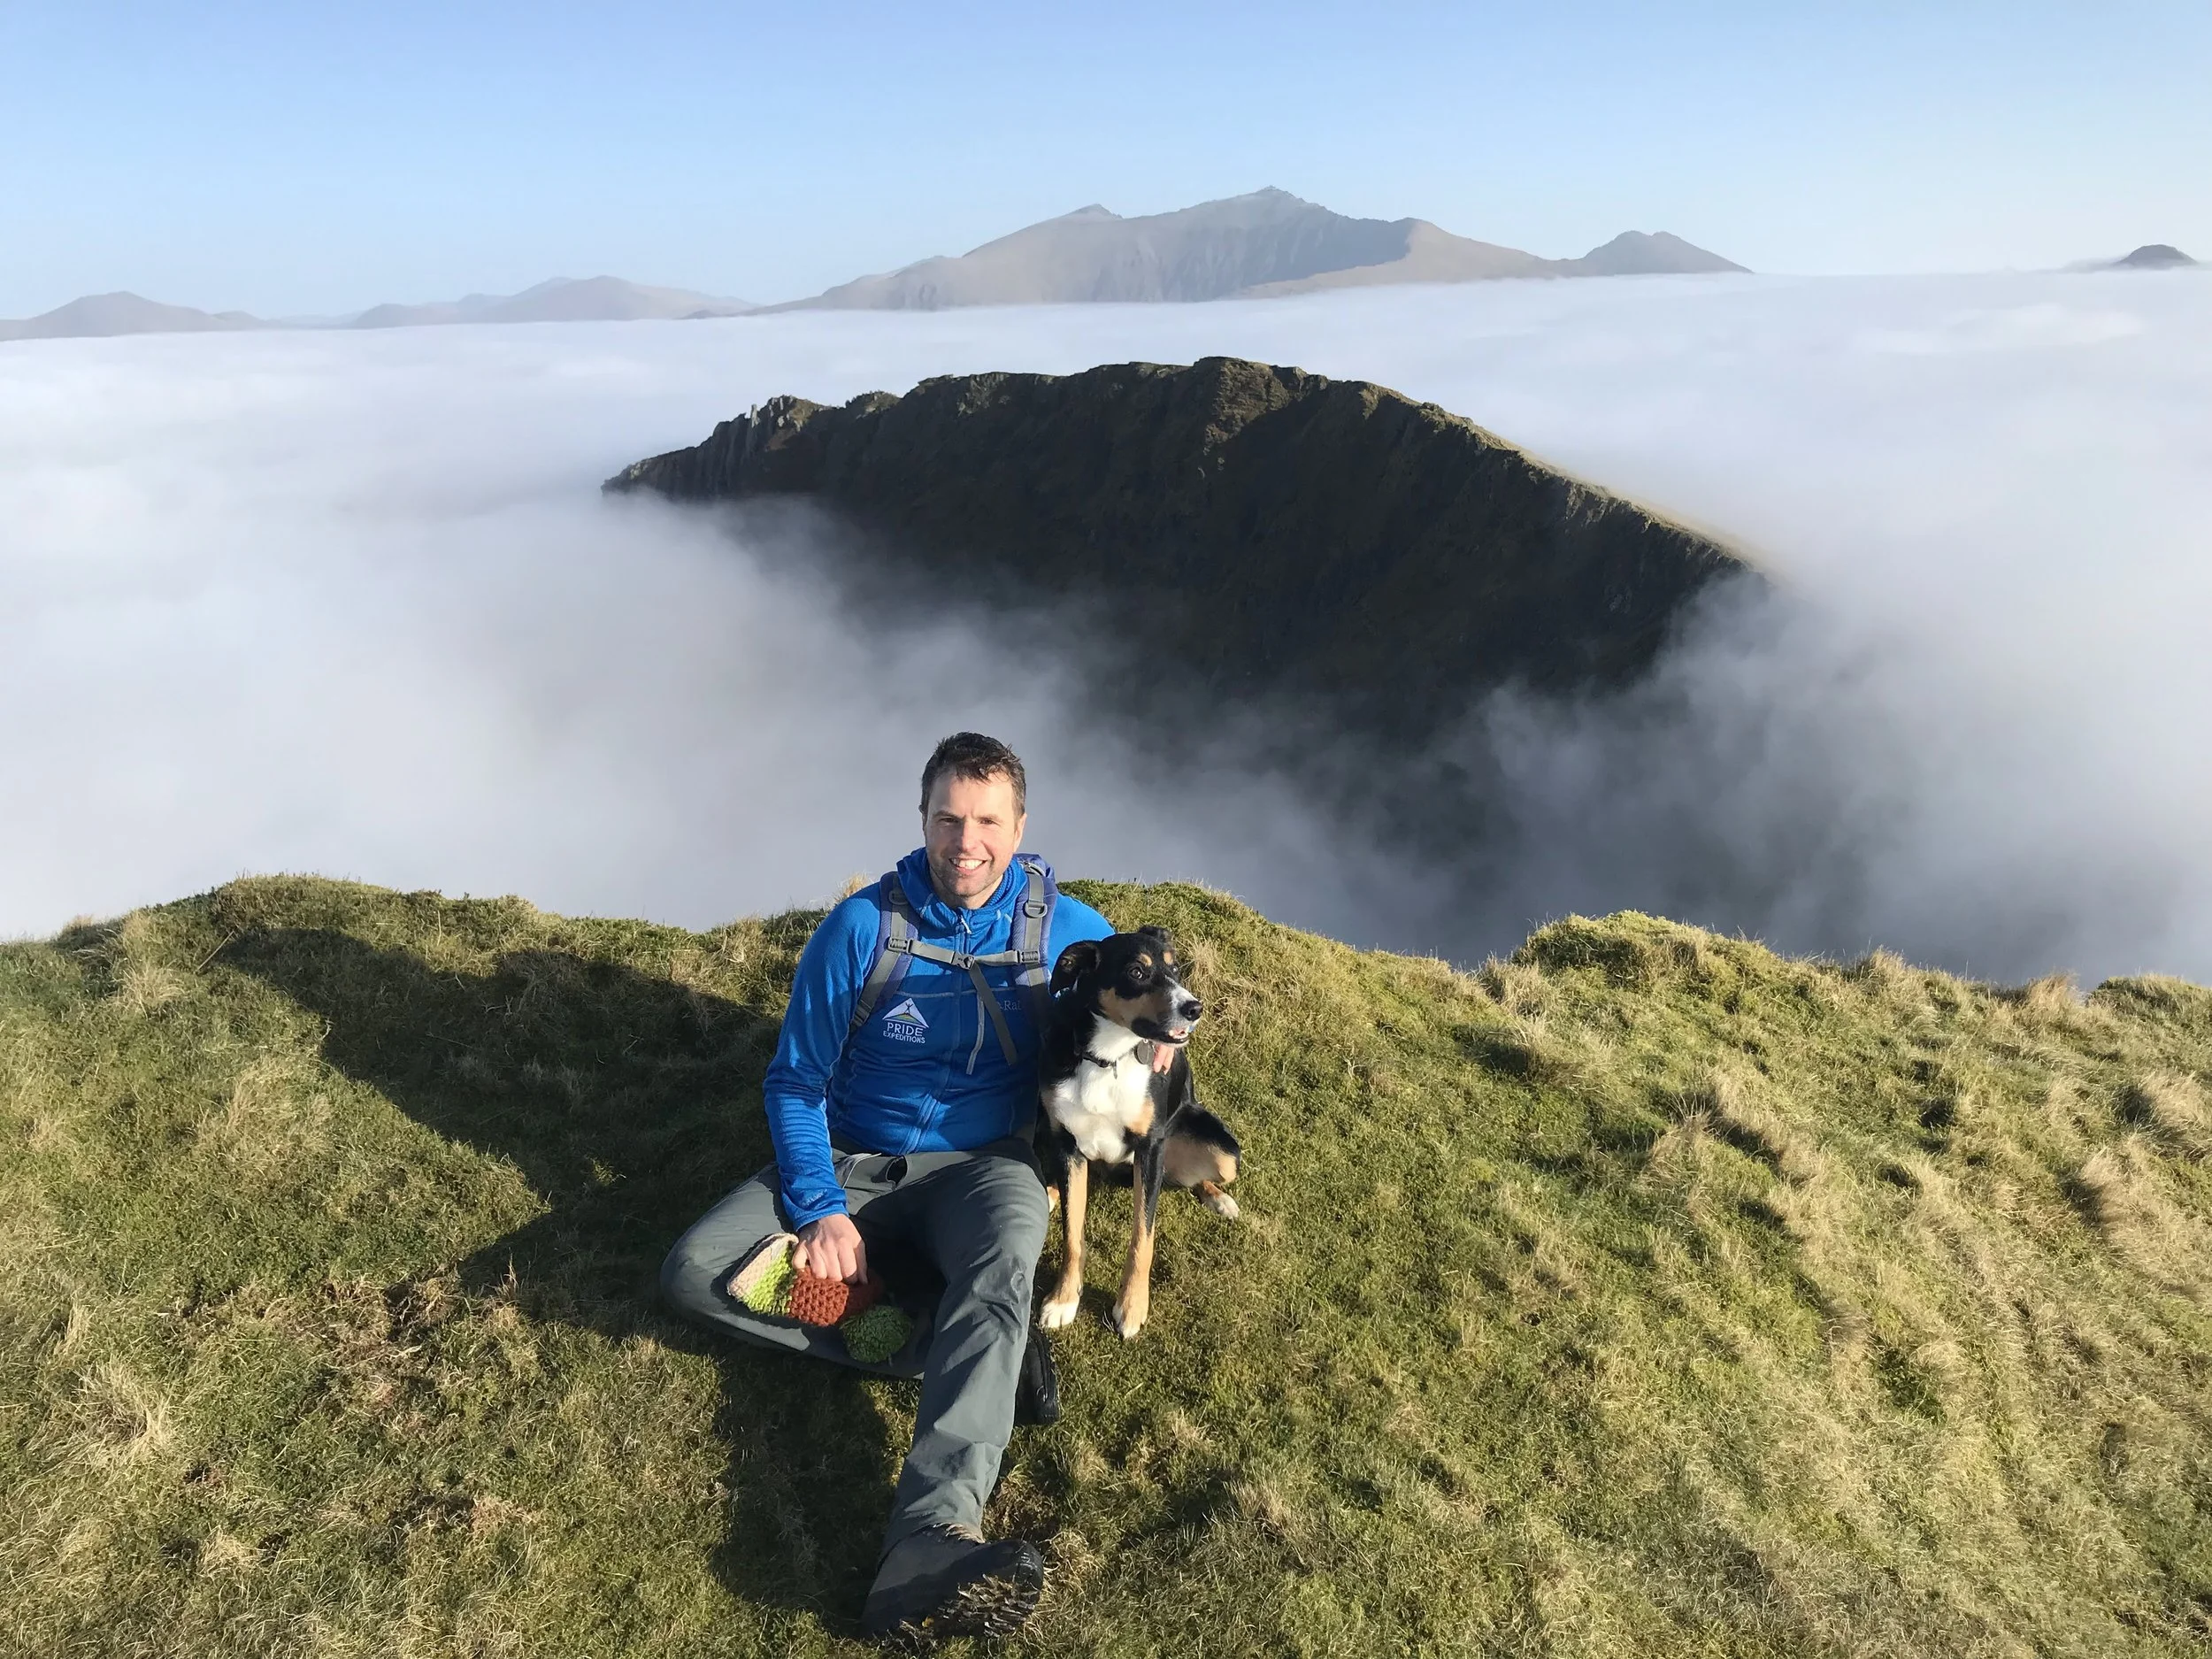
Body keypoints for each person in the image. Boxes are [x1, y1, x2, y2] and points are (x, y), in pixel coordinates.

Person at [661, 732, 1149, 1641]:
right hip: (853, 1158)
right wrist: (819, 1207)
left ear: (1020, 827)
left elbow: (1138, 990)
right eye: (947, 819)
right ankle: (956, 1352)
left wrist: (1152, 1035)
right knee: (695, 1269)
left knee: (1004, 1264)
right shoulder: (862, 929)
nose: (966, 843)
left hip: (984, 1168)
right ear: (922, 820)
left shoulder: (1062, 930)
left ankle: (931, 1536)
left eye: (987, 822)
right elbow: (794, 1082)